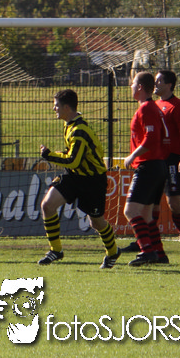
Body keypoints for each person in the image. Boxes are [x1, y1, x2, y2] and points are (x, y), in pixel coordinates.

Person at [36, 89, 120, 269]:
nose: (54, 108)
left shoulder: (79, 130)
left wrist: (49, 155)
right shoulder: (70, 125)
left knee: (96, 222)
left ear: (66, 107)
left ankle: (113, 251)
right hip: (75, 176)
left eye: (56, 105)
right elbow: (73, 158)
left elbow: (73, 160)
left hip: (92, 180)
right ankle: (56, 250)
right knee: (47, 205)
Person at [121, 71, 170, 266]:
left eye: (133, 83)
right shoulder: (152, 108)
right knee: (147, 215)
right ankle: (159, 254)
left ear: (140, 87)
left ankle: (147, 251)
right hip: (157, 165)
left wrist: (133, 156)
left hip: (148, 166)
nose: (131, 87)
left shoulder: (147, 109)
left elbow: (151, 138)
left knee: (130, 211)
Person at [155, 70, 180, 253]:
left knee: (174, 202)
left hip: (172, 160)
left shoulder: (178, 106)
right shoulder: (154, 105)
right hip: (155, 160)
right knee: (151, 202)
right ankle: (149, 241)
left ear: (169, 84)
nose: (155, 84)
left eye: (159, 81)